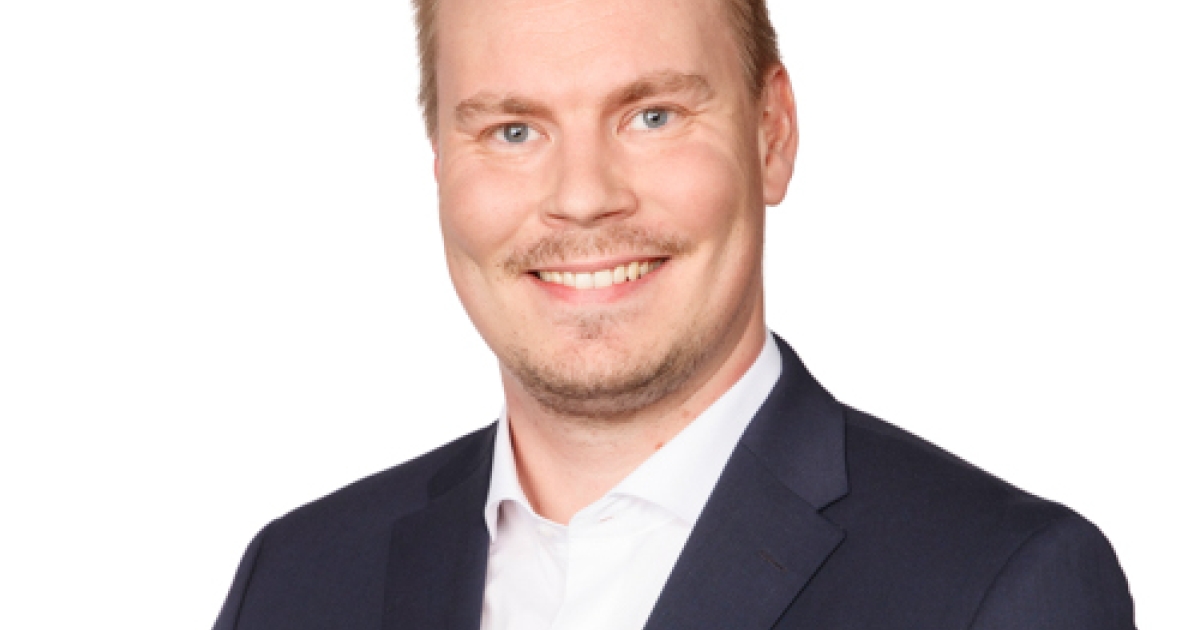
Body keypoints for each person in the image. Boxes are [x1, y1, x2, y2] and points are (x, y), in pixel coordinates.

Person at [213, 0, 1136, 628]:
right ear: (441, 166)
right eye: (513, 131)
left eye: (651, 115)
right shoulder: (294, 580)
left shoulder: (1001, 586)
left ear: (772, 135)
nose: (583, 198)